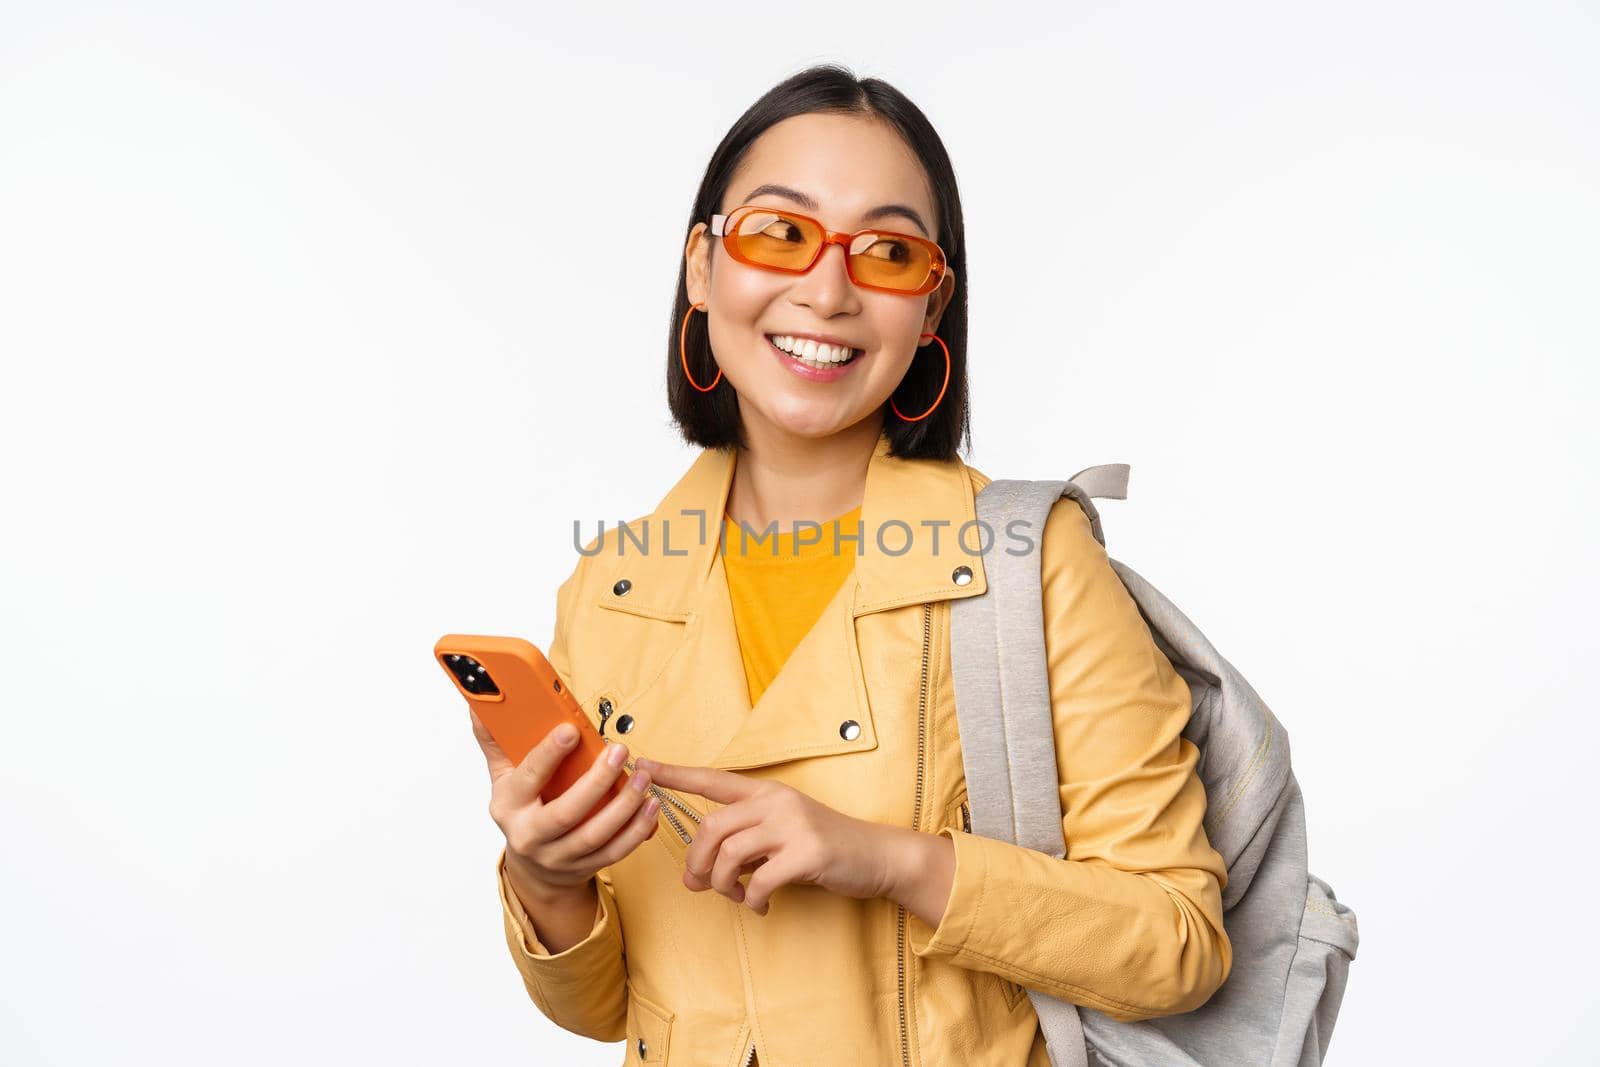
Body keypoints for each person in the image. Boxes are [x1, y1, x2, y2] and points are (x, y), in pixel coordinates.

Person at [469, 63, 1231, 1067]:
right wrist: (544, 872)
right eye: (779, 233)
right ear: (702, 267)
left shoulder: (1025, 560)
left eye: (887, 252)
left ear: (930, 305)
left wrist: (886, 859)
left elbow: (1178, 943)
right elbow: (612, 1007)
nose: (826, 292)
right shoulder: (613, 588)